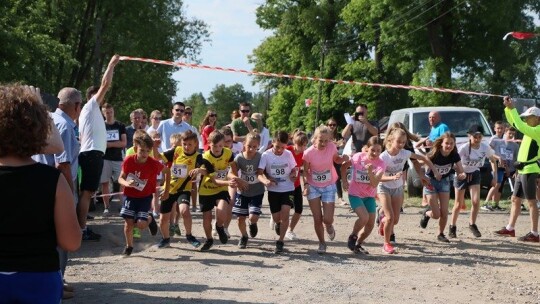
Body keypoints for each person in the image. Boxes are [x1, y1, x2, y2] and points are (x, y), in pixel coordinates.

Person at [0, 84, 81, 302]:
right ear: (39, 127)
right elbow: (71, 242)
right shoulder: (53, 181)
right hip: (38, 280)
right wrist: (41, 110)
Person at [78, 54, 120, 241]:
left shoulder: (89, 112)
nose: (103, 100)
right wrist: (111, 64)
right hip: (92, 154)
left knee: (87, 193)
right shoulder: (91, 106)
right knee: (87, 193)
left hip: (92, 154)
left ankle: (81, 228)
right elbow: (105, 84)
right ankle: (82, 230)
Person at [378, 128, 439, 254]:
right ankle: (386, 244)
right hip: (383, 187)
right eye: (398, 142)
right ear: (390, 140)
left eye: (403, 142)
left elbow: (423, 158)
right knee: (390, 218)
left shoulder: (405, 153)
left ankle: (382, 221)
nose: (401, 144)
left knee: (394, 220)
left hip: (398, 188)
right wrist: (391, 177)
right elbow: (378, 177)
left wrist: (432, 170)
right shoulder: (384, 157)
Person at [495, 98, 540, 243]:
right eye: (525, 118)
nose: (526, 120)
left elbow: (519, 125)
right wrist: (508, 109)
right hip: (522, 170)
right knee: (515, 199)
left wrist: (513, 108)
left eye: (529, 117)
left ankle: (534, 232)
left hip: (530, 170)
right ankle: (510, 228)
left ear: (537, 118)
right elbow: (515, 123)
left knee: (532, 202)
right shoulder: (531, 129)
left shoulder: (537, 130)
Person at [118, 133, 170, 256]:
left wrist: (167, 190)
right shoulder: (128, 161)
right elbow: (120, 178)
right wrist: (126, 183)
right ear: (136, 149)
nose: (145, 154)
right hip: (130, 196)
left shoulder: (153, 163)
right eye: (142, 150)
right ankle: (129, 246)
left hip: (145, 197)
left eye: (148, 151)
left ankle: (150, 219)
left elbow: (167, 171)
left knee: (141, 225)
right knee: (129, 223)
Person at [303, 126, 350, 254]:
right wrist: (306, 184)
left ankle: (329, 226)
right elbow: (305, 171)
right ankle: (322, 243)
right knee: (317, 218)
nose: (324, 143)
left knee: (327, 219)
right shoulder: (308, 153)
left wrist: (343, 158)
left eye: (326, 140)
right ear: (314, 139)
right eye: (320, 141)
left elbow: (336, 160)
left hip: (329, 185)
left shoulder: (331, 147)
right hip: (313, 186)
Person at [156, 130, 206, 249]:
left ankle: (189, 236)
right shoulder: (176, 151)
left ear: (195, 144)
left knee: (184, 211)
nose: (186, 147)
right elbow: (157, 157)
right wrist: (155, 146)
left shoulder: (198, 156)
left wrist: (199, 170)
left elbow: (206, 170)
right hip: (169, 189)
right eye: (184, 144)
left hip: (184, 190)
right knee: (163, 219)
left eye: (190, 144)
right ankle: (165, 239)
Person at [449, 124, 500, 239]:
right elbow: (454, 162)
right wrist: (461, 172)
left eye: (479, 137)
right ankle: (452, 226)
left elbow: (492, 160)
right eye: (475, 137)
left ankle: (472, 224)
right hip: (461, 174)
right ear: (469, 136)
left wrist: (495, 176)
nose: (477, 139)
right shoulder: (464, 148)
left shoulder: (485, 147)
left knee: (476, 201)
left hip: (475, 174)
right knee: (458, 204)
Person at [341, 136, 385, 254]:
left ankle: (358, 244)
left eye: (378, 151)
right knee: (364, 217)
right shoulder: (357, 157)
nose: (375, 153)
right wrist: (344, 181)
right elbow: (344, 166)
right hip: (355, 194)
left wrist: (370, 172)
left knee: (370, 225)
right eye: (372, 150)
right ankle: (353, 236)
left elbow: (375, 183)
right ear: (367, 148)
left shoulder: (381, 164)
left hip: (369, 196)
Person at [419, 132, 466, 243]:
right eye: (446, 143)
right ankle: (427, 213)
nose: (449, 146)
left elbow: (460, 168)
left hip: (444, 182)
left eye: (451, 143)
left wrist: (462, 174)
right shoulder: (435, 153)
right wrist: (434, 171)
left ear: (454, 144)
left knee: (444, 212)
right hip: (431, 182)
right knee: (436, 215)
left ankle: (440, 234)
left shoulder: (454, 154)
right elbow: (426, 159)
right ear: (441, 144)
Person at [258, 131, 298, 254]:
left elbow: (294, 169)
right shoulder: (266, 155)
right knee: (277, 217)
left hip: (288, 188)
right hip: (273, 190)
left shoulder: (288, 154)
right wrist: (266, 180)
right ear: (272, 143)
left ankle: (280, 241)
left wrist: (293, 174)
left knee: (285, 214)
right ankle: (277, 223)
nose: (280, 150)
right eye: (277, 147)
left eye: (283, 147)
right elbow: (259, 172)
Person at [198, 130, 238, 251]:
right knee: (207, 217)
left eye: (220, 146)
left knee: (221, 211)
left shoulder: (228, 152)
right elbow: (215, 180)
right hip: (207, 189)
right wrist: (229, 182)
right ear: (209, 143)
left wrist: (236, 177)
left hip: (221, 189)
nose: (217, 148)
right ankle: (209, 239)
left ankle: (220, 227)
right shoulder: (205, 157)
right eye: (214, 146)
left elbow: (233, 165)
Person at [229, 131, 265, 248]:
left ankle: (252, 223)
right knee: (240, 218)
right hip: (242, 191)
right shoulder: (239, 158)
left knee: (253, 217)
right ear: (244, 144)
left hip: (257, 191)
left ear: (258, 146)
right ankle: (244, 236)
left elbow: (265, 170)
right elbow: (230, 173)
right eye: (249, 146)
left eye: (254, 147)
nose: (251, 149)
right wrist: (239, 180)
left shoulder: (260, 157)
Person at [482, 122, 519, 211]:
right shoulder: (494, 139)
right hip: (495, 165)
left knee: (499, 186)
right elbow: (488, 152)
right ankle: (485, 203)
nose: (500, 130)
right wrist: (498, 158)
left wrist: (507, 167)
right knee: (496, 184)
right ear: (494, 129)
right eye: (498, 128)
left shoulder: (503, 140)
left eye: (501, 128)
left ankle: (495, 204)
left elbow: (505, 156)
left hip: (502, 166)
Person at [100, 103, 127, 215]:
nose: (109, 114)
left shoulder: (120, 125)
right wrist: (114, 143)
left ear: (114, 111)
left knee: (121, 182)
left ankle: (123, 206)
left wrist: (110, 145)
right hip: (104, 158)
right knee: (104, 183)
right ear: (103, 113)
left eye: (111, 112)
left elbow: (124, 143)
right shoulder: (101, 125)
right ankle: (106, 207)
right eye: (107, 112)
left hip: (117, 159)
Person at [285, 130, 309, 240]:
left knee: (299, 209)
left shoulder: (305, 155)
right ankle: (276, 218)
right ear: (294, 143)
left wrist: (306, 185)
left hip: (296, 185)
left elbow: (304, 171)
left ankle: (290, 230)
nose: (302, 148)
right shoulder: (287, 151)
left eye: (304, 145)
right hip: (285, 185)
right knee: (286, 208)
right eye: (300, 145)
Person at [327, 118, 346, 206]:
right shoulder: (325, 134)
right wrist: (335, 144)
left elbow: (343, 143)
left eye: (334, 125)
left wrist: (342, 144)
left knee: (337, 177)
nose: (332, 126)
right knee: (326, 176)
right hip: (325, 158)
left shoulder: (338, 135)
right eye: (330, 125)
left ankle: (340, 198)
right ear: (327, 125)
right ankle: (323, 196)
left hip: (335, 157)